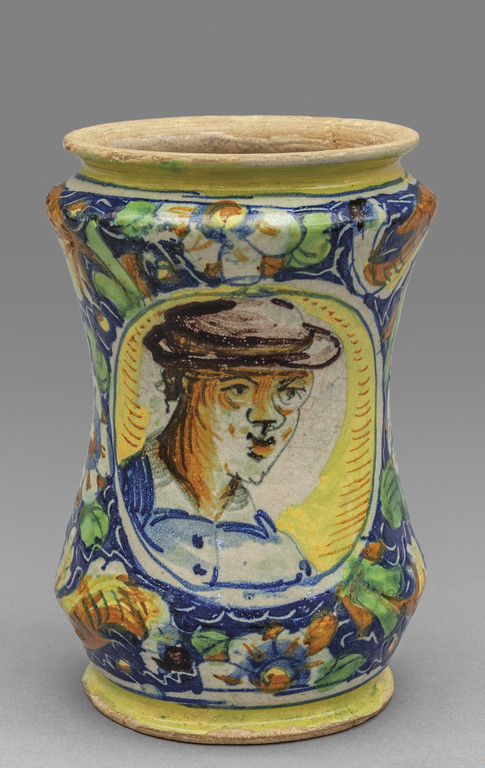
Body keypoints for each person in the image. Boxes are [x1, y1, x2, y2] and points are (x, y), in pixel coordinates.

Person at [120, 296, 341, 591]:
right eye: (238, 389)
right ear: (186, 382)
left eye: (288, 394)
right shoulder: (121, 501)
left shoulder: (284, 561)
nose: (268, 417)